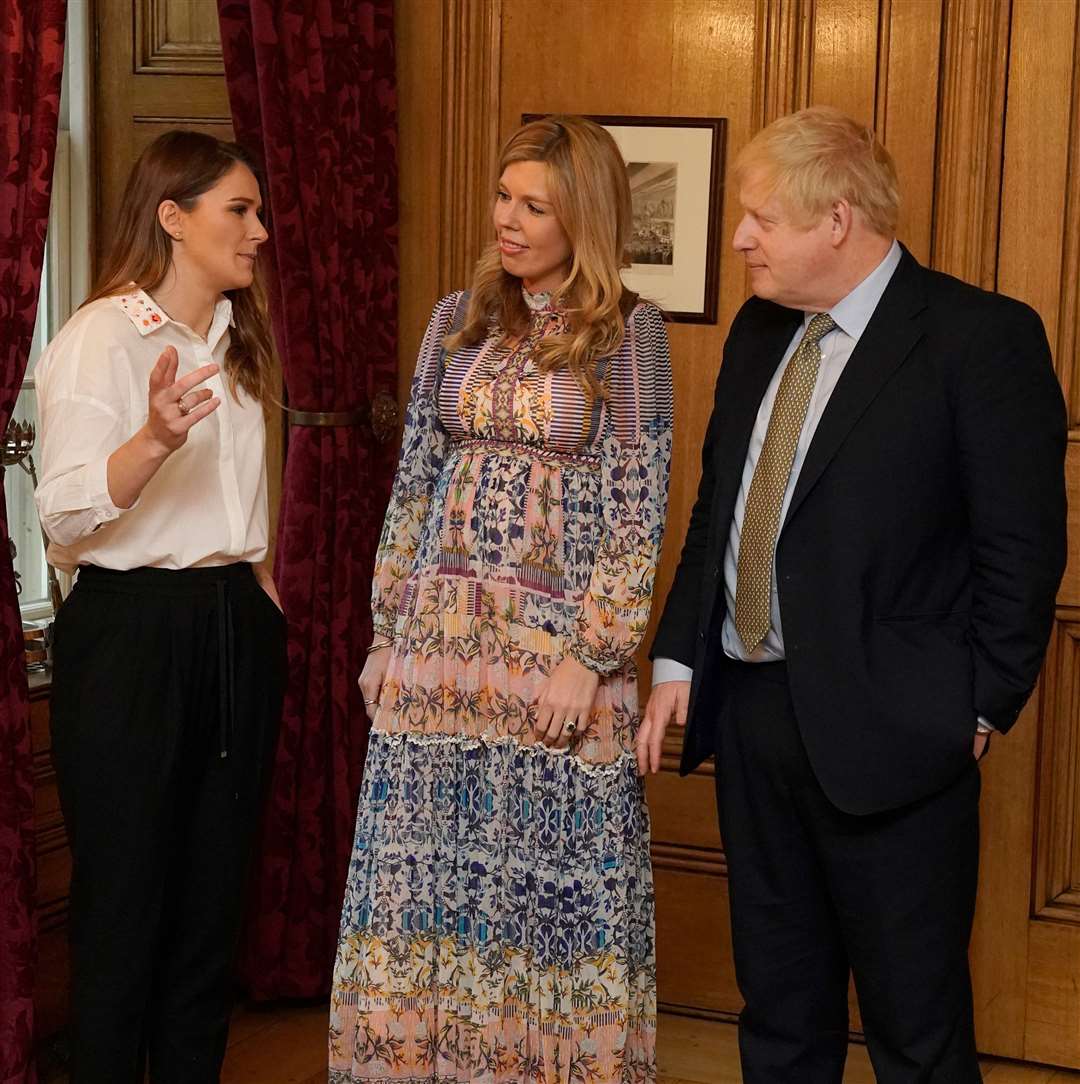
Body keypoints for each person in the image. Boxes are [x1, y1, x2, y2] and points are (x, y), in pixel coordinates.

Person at [640, 106, 1066, 1083]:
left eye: (761, 219)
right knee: (779, 1016)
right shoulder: (758, 331)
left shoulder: (978, 338)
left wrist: (978, 702)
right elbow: (720, 505)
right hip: (752, 714)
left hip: (896, 731)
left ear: (837, 218)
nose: (740, 238)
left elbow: (1022, 546)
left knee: (915, 1027)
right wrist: (677, 655)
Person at [329, 115, 673, 1083]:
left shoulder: (628, 334)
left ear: (586, 217)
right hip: (440, 652)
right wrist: (386, 631)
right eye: (503, 197)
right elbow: (414, 482)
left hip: (556, 661)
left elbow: (638, 508)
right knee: (425, 883)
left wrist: (590, 654)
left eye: (535, 205)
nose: (508, 220)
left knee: (549, 897)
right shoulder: (457, 318)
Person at [35, 130, 286, 1083]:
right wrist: (150, 441)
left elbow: (245, 513)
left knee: (209, 910)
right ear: (171, 218)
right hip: (129, 635)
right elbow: (60, 515)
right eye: (239, 210)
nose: (259, 230)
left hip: (234, 628)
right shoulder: (99, 336)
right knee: (125, 906)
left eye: (258, 211)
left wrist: (262, 602)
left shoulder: (239, 338)